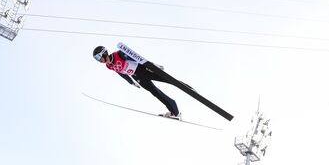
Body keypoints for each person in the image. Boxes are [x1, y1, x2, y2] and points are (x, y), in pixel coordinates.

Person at [92, 43, 234, 121]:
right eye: (97, 59)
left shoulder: (119, 54)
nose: (99, 60)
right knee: (155, 93)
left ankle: (188, 88)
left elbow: (137, 58)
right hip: (137, 77)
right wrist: (131, 82)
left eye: (99, 57)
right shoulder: (109, 66)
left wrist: (152, 65)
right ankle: (174, 111)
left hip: (143, 70)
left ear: (104, 52)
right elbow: (120, 73)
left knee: (169, 80)